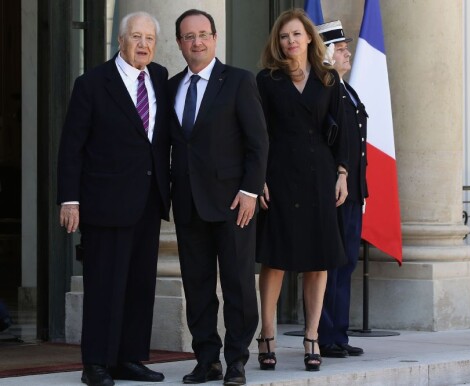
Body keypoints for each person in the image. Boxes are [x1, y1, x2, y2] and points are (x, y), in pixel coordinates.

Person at [57, 11, 170, 386]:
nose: (143, 45)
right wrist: (69, 199)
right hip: (104, 202)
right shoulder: (91, 83)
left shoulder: (159, 77)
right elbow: (72, 147)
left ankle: (130, 359)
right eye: (135, 37)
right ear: (120, 41)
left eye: (149, 39)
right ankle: (97, 364)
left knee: (140, 284)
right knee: (105, 284)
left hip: (148, 200)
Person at [169, 9, 268, 386]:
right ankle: (206, 360)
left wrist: (250, 192)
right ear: (180, 43)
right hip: (189, 203)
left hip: (233, 205)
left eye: (203, 35)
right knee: (197, 286)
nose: (196, 42)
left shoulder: (239, 81)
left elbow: (259, 143)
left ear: (214, 38)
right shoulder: (172, 85)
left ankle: (237, 361)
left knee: (239, 285)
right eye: (188, 36)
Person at [256, 9, 349, 372]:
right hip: (278, 176)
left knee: (318, 259)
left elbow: (343, 130)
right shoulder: (266, 81)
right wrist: (258, 178)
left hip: (319, 177)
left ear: (310, 38)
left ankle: (312, 336)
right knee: (276, 259)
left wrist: (342, 173)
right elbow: (258, 133)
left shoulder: (328, 78)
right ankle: (267, 335)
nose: (290, 41)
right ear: (277, 43)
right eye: (283, 36)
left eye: (296, 34)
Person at [315, 20, 367, 359]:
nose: (347, 51)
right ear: (324, 55)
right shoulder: (326, 90)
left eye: (346, 47)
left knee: (346, 261)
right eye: (339, 48)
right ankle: (325, 333)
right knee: (332, 262)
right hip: (335, 189)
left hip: (352, 191)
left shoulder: (347, 90)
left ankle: (338, 332)